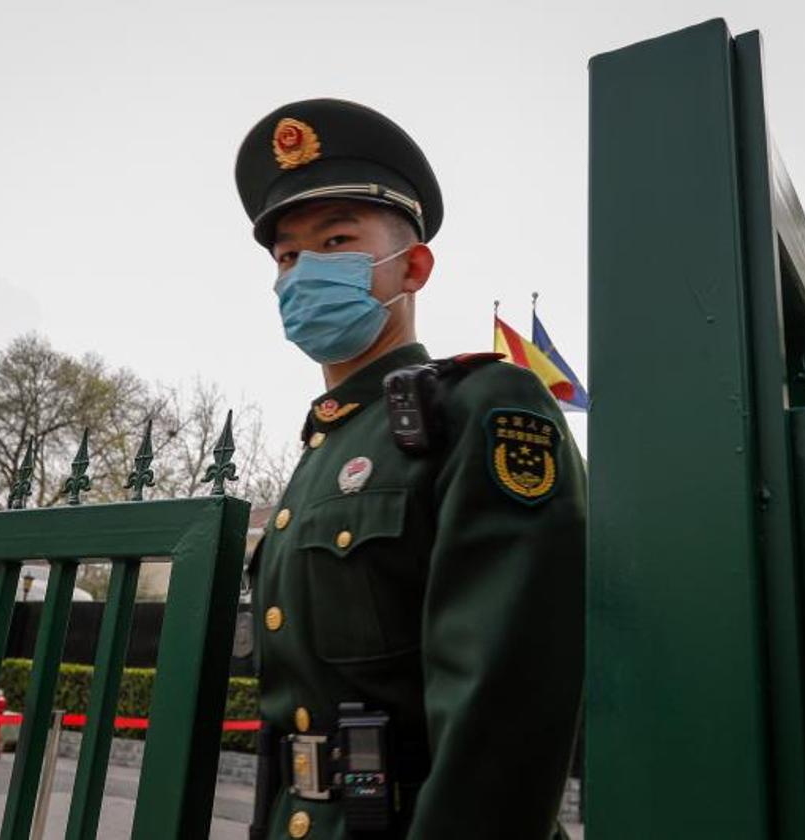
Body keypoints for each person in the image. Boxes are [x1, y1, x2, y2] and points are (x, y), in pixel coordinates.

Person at [234, 98, 587, 840]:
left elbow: (508, 698)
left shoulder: (479, 407)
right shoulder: (319, 456)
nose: (303, 273)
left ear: (412, 266)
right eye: (289, 257)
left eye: (335, 240)